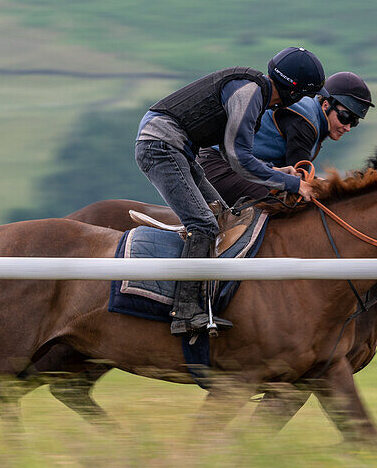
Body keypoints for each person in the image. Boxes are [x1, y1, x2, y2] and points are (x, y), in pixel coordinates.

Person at [135, 47, 326, 336]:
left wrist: (279, 174)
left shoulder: (253, 94)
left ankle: (205, 300)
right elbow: (239, 158)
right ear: (295, 93)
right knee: (203, 223)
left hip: (175, 148)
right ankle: (185, 311)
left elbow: (230, 151)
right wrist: (292, 184)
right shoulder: (250, 93)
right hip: (162, 145)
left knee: (222, 216)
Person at [197, 71, 374, 205]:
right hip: (217, 165)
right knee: (276, 208)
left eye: (354, 122)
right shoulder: (304, 123)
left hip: (232, 166)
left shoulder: (314, 121)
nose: (348, 127)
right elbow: (302, 175)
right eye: (345, 118)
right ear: (326, 105)